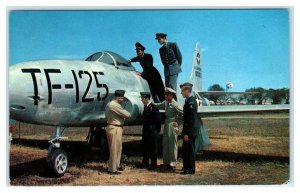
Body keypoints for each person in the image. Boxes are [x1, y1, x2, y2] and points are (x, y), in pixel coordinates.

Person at [153, 87, 183, 170]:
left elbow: (184, 113)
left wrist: (178, 122)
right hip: (166, 124)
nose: (165, 96)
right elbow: (158, 106)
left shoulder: (174, 104)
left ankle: (172, 163)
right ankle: (166, 162)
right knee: (165, 142)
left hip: (172, 124)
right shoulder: (166, 103)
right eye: (165, 94)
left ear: (171, 96)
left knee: (172, 143)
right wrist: (150, 103)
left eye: (167, 95)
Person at [105, 90, 131, 175]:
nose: (122, 99)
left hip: (113, 127)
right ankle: (112, 169)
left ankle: (116, 165)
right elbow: (127, 115)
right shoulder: (114, 105)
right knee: (114, 149)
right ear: (118, 97)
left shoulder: (110, 104)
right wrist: (127, 112)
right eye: (122, 98)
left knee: (117, 148)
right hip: (115, 128)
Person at [180, 82, 199, 174]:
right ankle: (186, 166)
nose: (181, 93)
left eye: (182, 91)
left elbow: (191, 120)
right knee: (186, 150)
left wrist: (187, 133)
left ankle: (190, 169)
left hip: (190, 131)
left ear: (187, 90)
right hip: (187, 130)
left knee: (190, 151)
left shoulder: (191, 102)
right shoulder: (188, 101)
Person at [140, 92, 161, 170]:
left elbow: (158, 120)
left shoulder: (153, 107)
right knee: (145, 147)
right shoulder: (146, 107)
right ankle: (145, 163)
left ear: (146, 98)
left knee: (153, 148)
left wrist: (155, 130)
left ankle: (153, 165)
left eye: (142, 98)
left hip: (152, 131)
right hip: (146, 131)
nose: (141, 100)